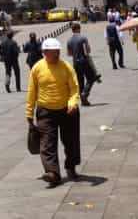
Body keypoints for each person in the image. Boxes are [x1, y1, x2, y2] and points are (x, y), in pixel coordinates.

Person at [27, 37, 81, 187]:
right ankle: (53, 173)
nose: (56, 54)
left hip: (66, 110)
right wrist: (29, 112)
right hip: (45, 111)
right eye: (53, 52)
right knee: (47, 144)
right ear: (44, 53)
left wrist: (72, 102)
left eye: (57, 51)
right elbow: (32, 91)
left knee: (70, 141)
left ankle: (71, 166)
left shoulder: (66, 67)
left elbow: (74, 87)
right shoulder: (37, 68)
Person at [66, 22, 99, 106]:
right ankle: (85, 93)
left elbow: (69, 54)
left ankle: (83, 100)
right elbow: (87, 51)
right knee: (91, 78)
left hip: (75, 63)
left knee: (80, 81)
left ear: (72, 30)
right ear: (78, 29)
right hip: (84, 61)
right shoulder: (83, 38)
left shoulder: (69, 40)